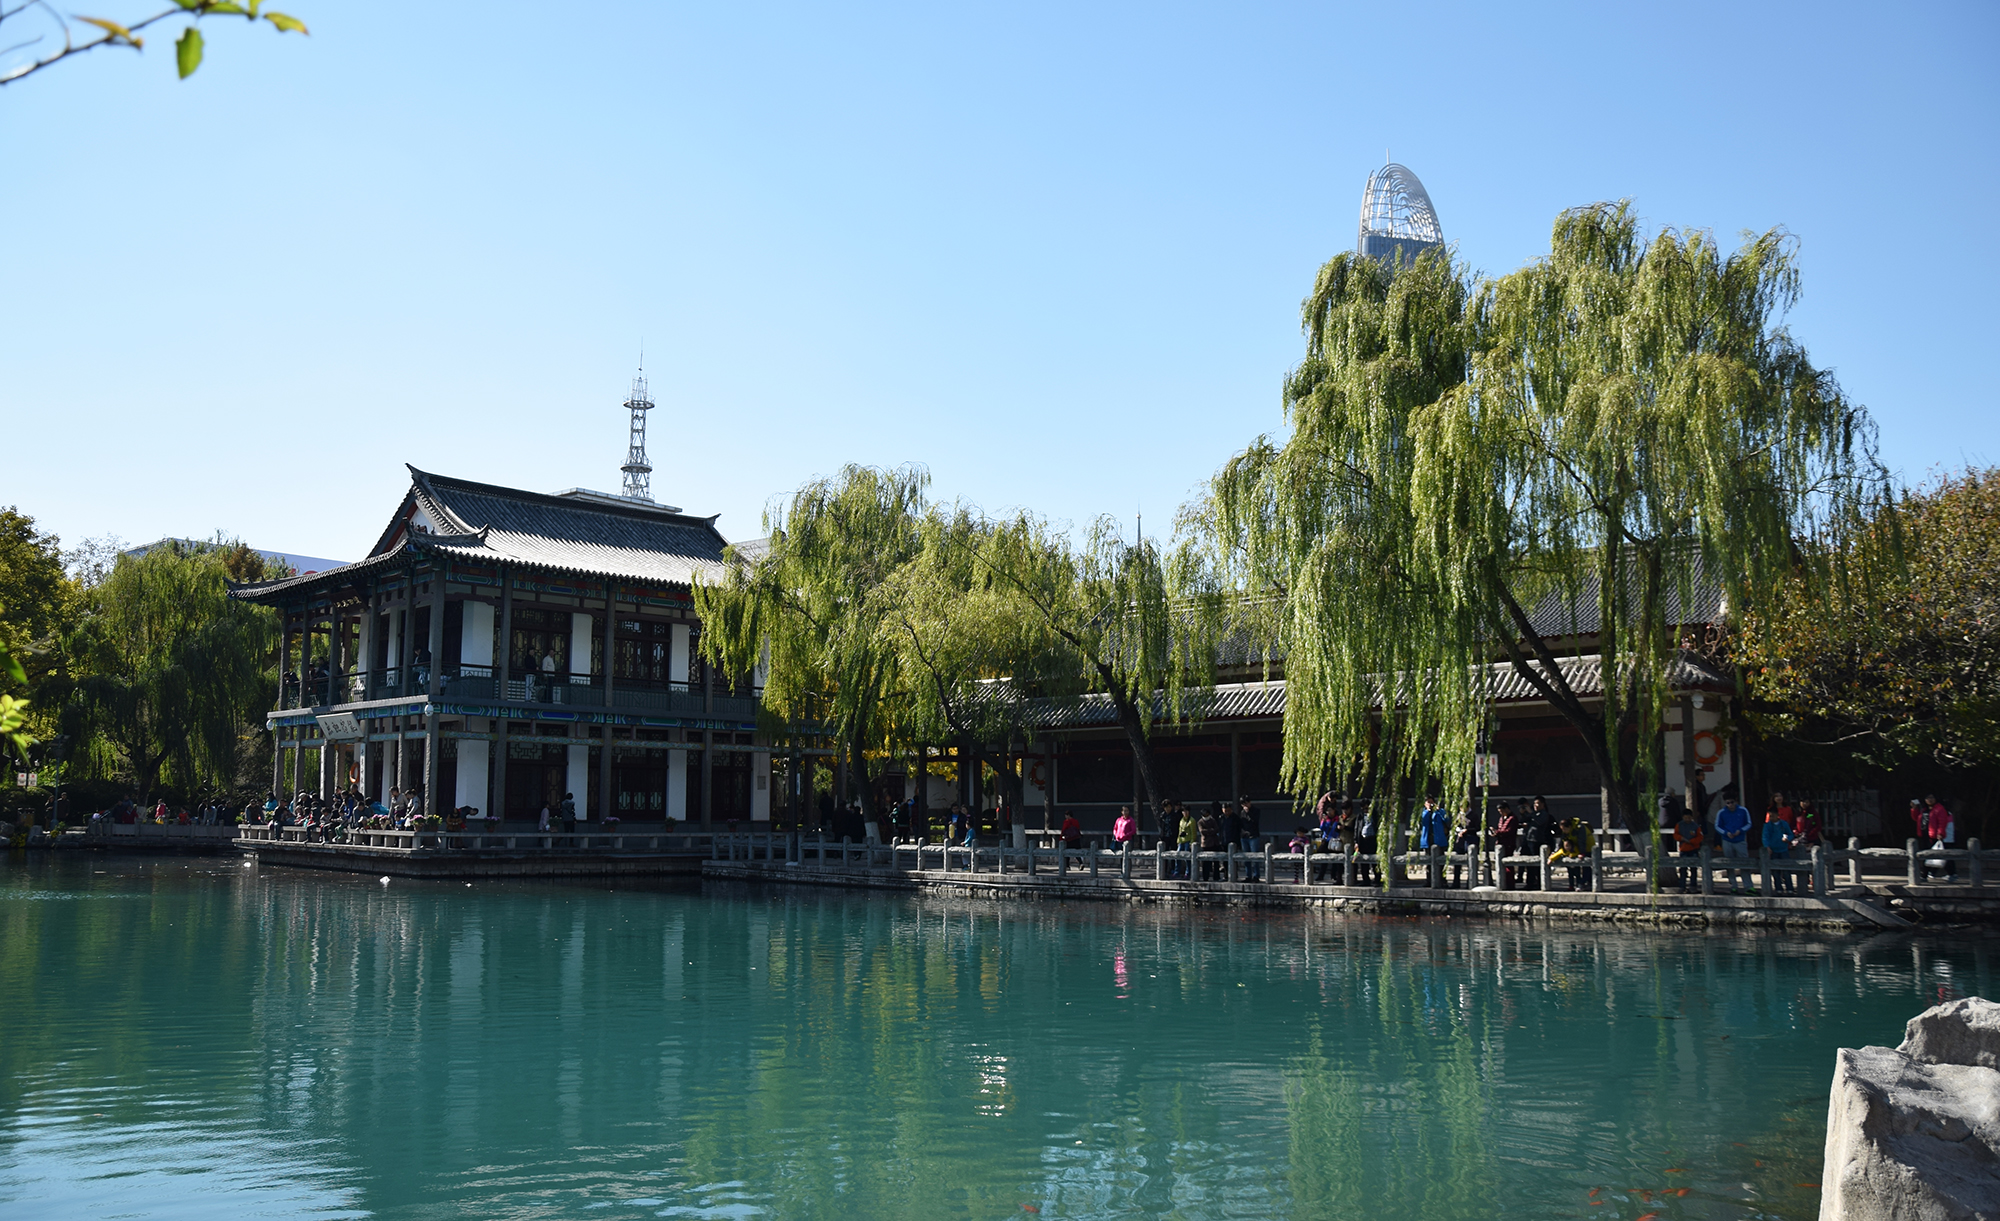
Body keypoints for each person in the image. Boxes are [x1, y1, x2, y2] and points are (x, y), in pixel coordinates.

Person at [1714, 792, 1753, 894]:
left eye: (1732, 802)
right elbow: (1717, 826)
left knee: (1744, 863)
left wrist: (1741, 830)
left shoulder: (1743, 810)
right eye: (1727, 803)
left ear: (1735, 801)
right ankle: (1733, 885)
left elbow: (1749, 823)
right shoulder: (1721, 813)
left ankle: (1748, 886)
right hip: (1727, 840)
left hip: (1740, 840)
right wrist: (1725, 833)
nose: (1730, 805)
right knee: (1729, 864)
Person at [1550, 817, 1595, 890]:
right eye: (1562, 829)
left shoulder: (1579, 828)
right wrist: (1555, 852)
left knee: (1586, 865)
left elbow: (1582, 841)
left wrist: (1582, 853)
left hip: (1587, 847)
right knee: (1575, 868)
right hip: (1575, 848)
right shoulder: (1566, 832)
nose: (1563, 831)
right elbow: (1562, 842)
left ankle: (1586, 882)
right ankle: (1580, 883)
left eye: (1564, 829)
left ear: (1569, 827)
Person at [1763, 807, 1797, 894]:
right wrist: (1767, 846)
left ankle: (1790, 888)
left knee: (1786, 870)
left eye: (1773, 816)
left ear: (1778, 815)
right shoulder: (1767, 825)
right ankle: (1778, 888)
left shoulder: (1784, 824)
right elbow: (1765, 837)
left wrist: (1788, 839)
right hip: (1773, 850)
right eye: (1770, 816)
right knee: (1775, 872)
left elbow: (1790, 834)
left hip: (1783, 849)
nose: (1771, 818)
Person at [1674, 806, 1705, 892]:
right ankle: (1682, 886)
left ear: (1692, 817)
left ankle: (1693, 886)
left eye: (1689, 817)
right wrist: (1682, 838)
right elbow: (1675, 835)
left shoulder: (1695, 826)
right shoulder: (1679, 825)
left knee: (1693, 869)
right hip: (1683, 849)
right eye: (1685, 817)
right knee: (1683, 869)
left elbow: (1700, 837)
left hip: (1693, 848)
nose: (1687, 819)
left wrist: (1692, 841)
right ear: (1683, 817)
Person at [1925, 794, 1956, 881]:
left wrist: (1940, 833)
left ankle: (1952, 874)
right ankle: (1932, 872)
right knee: (1938, 854)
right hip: (1940, 835)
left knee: (1944, 855)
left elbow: (1942, 823)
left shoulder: (1940, 809)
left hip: (1944, 836)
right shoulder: (1931, 809)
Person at [1492, 801, 1520, 887]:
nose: (1501, 813)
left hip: (1508, 843)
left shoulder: (1513, 818)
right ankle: (1503, 881)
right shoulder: (1502, 818)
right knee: (1500, 864)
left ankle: (1510, 883)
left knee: (1508, 865)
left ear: (1507, 809)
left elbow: (1509, 831)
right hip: (1501, 843)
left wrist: (1497, 832)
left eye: (1502, 811)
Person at [1239, 796, 1262, 880]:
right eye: (1243, 804)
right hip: (1244, 836)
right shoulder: (1242, 812)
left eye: (1246, 803)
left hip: (1253, 835)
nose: (1245, 805)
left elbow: (1255, 821)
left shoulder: (1256, 811)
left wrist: (1248, 812)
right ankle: (1248, 875)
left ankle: (1256, 875)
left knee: (1255, 857)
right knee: (1246, 857)